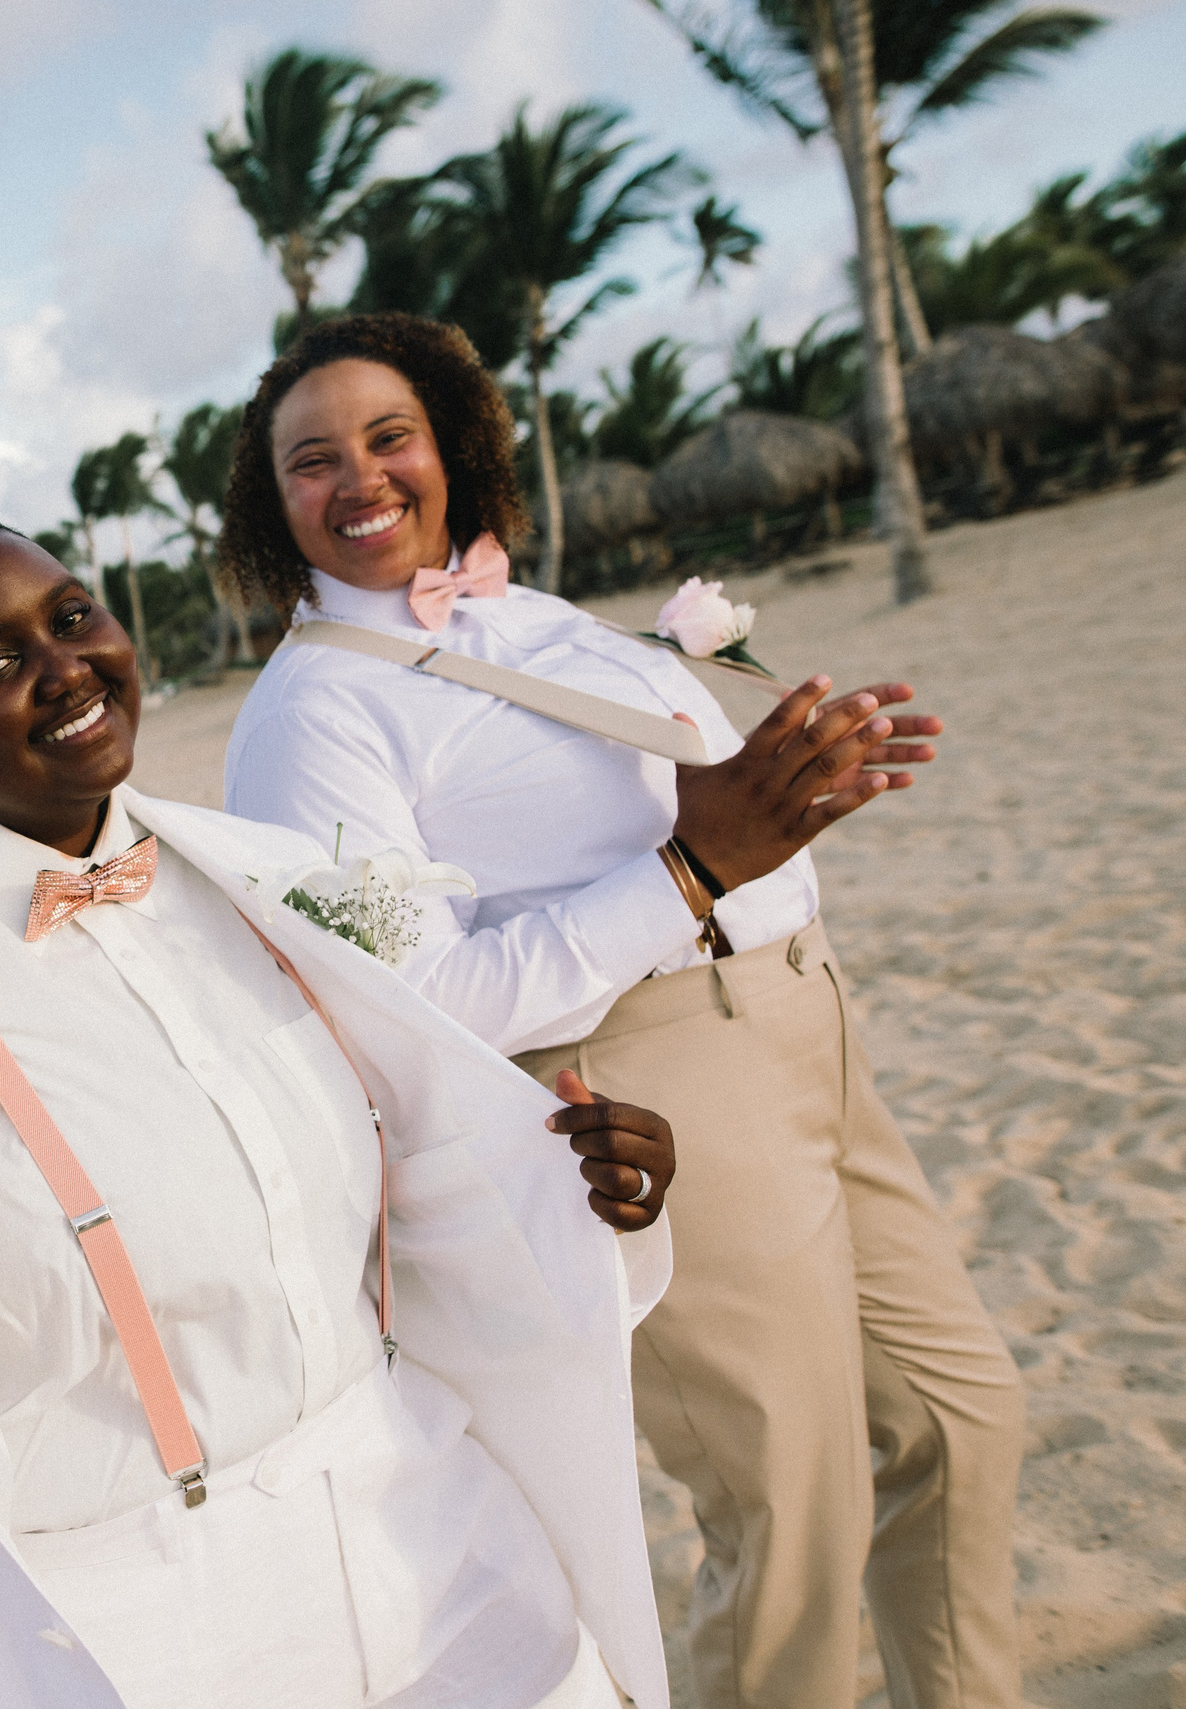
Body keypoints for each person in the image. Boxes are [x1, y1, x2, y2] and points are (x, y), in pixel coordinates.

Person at [0, 497, 681, 1709]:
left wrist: (578, 1180)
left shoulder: (273, 879)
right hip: (116, 1632)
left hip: (442, 1543)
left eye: (71, 617)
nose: (63, 668)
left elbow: (418, 1164)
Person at [217, 313, 1025, 1709]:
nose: (360, 476)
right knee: (792, 1512)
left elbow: (673, 801)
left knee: (959, 1424)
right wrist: (692, 867)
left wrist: (796, 779)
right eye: (312, 459)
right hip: (649, 1089)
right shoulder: (313, 715)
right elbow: (412, 1006)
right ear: (270, 502)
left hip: (806, 1028)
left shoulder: (522, 615)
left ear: (451, 446)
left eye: (389, 436)